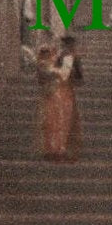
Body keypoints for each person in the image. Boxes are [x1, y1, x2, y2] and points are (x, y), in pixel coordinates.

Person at [40, 34, 83, 163]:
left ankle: (60, 150)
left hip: (64, 91)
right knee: (53, 120)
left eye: (66, 45)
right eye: (63, 45)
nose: (64, 47)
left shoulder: (70, 58)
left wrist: (53, 71)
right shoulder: (60, 56)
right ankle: (53, 149)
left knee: (63, 120)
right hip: (57, 91)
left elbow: (67, 75)